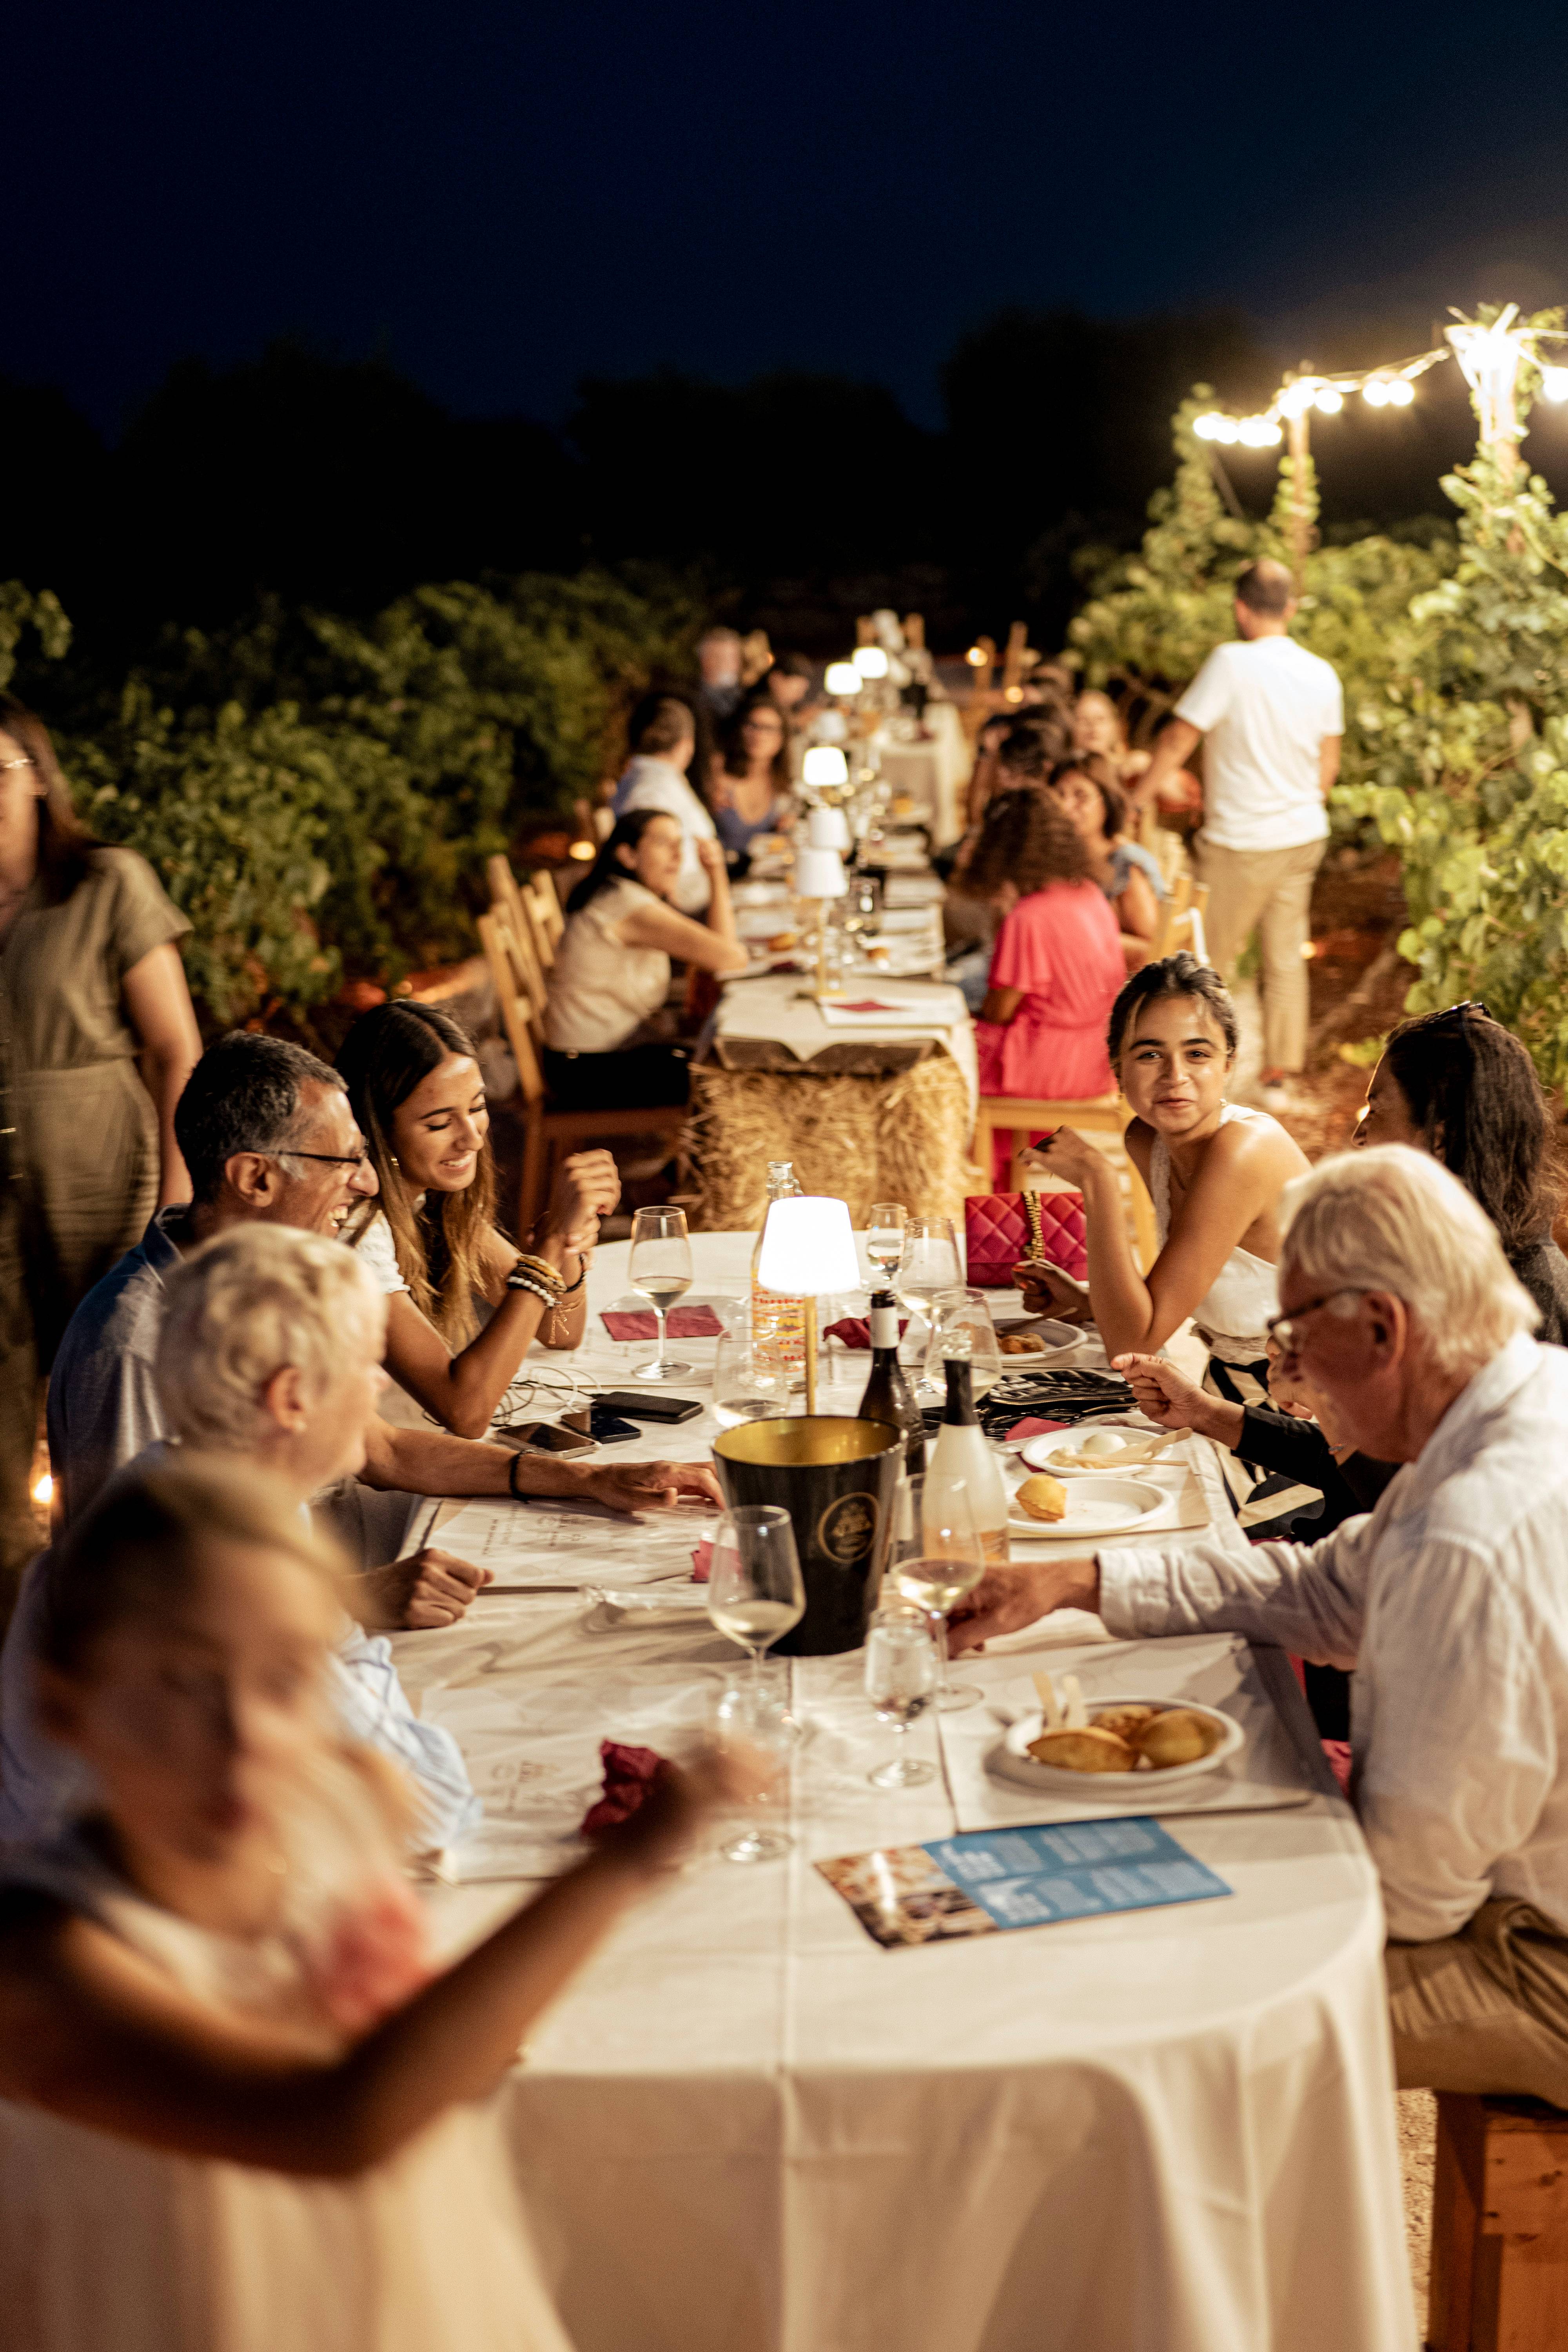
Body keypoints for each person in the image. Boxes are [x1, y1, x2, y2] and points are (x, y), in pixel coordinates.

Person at [0, 1454, 747, 2352]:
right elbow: (337, 2120)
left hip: (404, 2285)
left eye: (284, 1679)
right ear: (64, 1702)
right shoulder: (44, 1958)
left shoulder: (321, 1824)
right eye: (184, 1682)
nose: (244, 1733)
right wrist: (620, 1867)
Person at [955, 1147, 1568, 2108]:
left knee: (1149, 2005)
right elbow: (1327, 1594)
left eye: (1291, 1332)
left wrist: (1170, 1855)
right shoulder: (1525, 1403)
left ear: (1382, 1326)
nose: (1284, 1371)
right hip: (1505, 1890)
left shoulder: (1474, 1529)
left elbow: (1410, 1898)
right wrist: (1074, 1578)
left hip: (1540, 1958)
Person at [46, 1030, 719, 1534]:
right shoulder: (135, 1342)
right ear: (255, 1179)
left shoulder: (274, 1277)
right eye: (344, 1161)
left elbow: (381, 1447)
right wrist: (363, 1601)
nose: (368, 1184)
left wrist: (587, 1480)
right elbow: (123, 1602)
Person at [5, 1227, 481, 1848]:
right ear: (291, 1399)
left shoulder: (183, 1483)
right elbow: (432, 1810)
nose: (380, 1387)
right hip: (99, 1903)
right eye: (365, 1366)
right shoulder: (224, 1551)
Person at [0, 697, 202, 1598]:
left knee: (113, 1415)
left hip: (102, 1181)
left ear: (37, 776)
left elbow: (175, 1050)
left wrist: (175, 1204)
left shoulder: (105, 884)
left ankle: (127, 1629)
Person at [1020, 954, 1308, 1385]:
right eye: (1150, 1054)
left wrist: (1098, 1182)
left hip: (1314, 1406)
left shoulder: (1244, 1150)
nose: (1175, 1076)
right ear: (1118, 1071)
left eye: (1197, 1053)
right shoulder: (1148, 1139)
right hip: (1232, 1386)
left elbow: (1131, 1347)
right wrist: (1086, 1299)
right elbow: (1169, 1299)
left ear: (1227, 1065)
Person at [338, 1001, 617, 1438]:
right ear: (379, 1131)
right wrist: (545, 1253)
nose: (471, 1137)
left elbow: (559, 1331)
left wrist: (566, 1244)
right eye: (439, 1124)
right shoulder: (355, 1231)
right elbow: (466, 1411)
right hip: (363, 1482)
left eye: (477, 1106)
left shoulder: (436, 1201)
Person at [1133, 558, 1343, 1102]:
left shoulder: (1231, 662)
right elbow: (1328, 766)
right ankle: (1280, 1071)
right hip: (1302, 836)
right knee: (1284, 954)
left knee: (1209, 961)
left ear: (1240, 608)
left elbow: (1181, 738)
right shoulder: (1322, 672)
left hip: (1243, 839)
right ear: (1292, 608)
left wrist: (1138, 797)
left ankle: (1200, 1075)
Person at [1356, 1002, 1568, 1343]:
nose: (1359, 1137)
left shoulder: (1526, 1301)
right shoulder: (1427, 1251)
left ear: (1440, 1141)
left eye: (1375, 1111)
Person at [542, 811, 746, 1111]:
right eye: (665, 844)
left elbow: (725, 955)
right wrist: (716, 874)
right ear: (628, 855)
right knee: (722, 1077)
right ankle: (682, 1160)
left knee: (713, 1056)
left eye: (681, 844)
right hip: (585, 1070)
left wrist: (716, 872)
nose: (678, 856)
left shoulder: (622, 893)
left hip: (588, 1056)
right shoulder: (627, 905)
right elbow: (730, 958)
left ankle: (683, 1159)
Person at [967, 789, 1126, 1160]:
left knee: (949, 1059)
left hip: (1051, 1065)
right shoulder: (1089, 892)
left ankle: (987, 1186)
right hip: (1099, 1055)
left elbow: (999, 1011)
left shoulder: (1030, 915)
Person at [1048, 753, 1165, 965]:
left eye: (1080, 796)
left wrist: (1081, 937)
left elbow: (1156, 952)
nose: (1065, 807)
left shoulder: (1125, 863)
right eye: (1059, 795)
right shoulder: (1056, 857)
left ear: (1107, 802)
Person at [611, 693, 718, 915]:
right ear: (687, 745)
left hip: (697, 897)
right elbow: (652, 875)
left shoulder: (649, 779)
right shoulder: (651, 791)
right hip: (680, 910)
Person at [709, 695, 793, 857]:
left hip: (758, 875)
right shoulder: (719, 773)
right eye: (752, 726)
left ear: (781, 738)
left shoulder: (780, 783)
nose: (758, 735)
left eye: (768, 729)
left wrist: (785, 827)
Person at [1072, 688, 1151, 790]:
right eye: (1083, 720)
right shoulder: (1062, 773)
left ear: (1115, 726)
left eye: (1100, 719)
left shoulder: (1137, 767)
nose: (1093, 726)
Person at [695, 624, 744, 723]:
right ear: (703, 660)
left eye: (731, 658)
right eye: (718, 658)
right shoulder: (690, 698)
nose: (725, 665)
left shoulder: (748, 699)